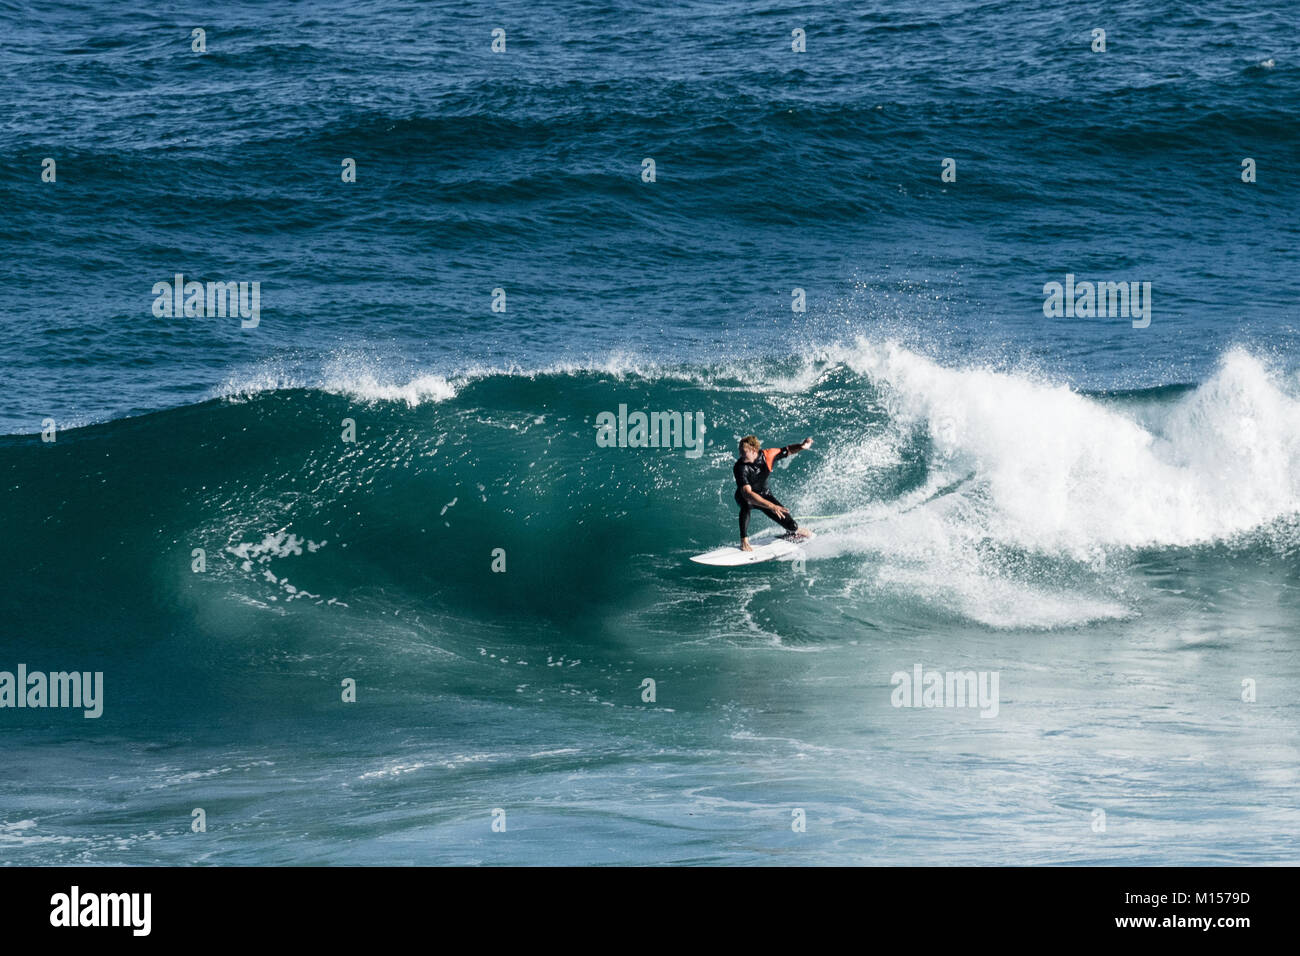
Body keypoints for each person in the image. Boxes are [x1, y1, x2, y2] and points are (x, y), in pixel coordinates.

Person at [733, 435, 813, 551]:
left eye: (743, 452)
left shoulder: (768, 455)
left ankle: (793, 531)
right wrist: (771, 506)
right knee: (746, 504)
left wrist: (801, 446)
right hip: (745, 496)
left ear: (754, 450)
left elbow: (788, 450)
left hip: (765, 494)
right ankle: (744, 540)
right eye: (740, 451)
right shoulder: (740, 467)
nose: (740, 455)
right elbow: (747, 494)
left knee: (793, 526)